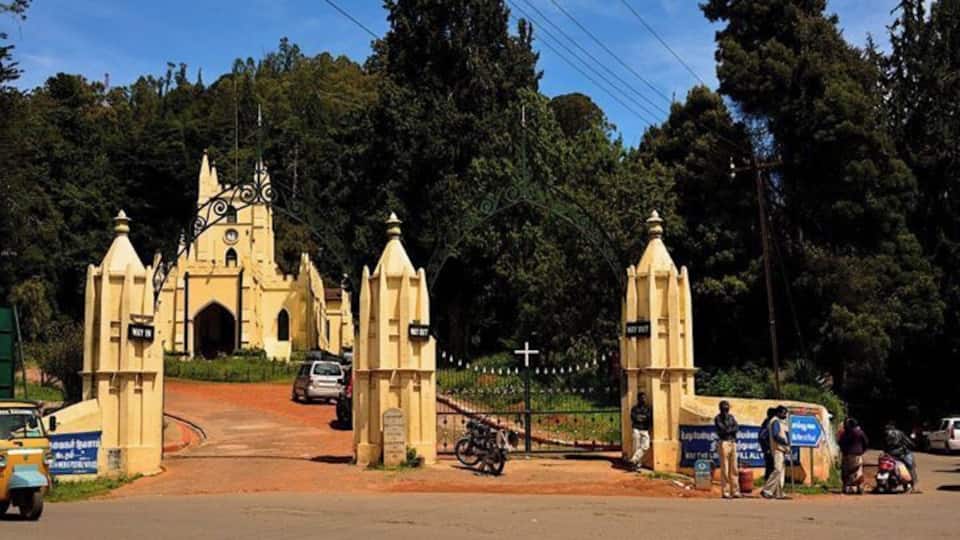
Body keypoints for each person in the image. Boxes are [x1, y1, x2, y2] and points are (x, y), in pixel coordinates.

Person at [714, 400, 741, 498]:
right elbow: (722, 430)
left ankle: (735, 491)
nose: (726, 409)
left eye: (727, 407)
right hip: (724, 442)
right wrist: (730, 430)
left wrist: (730, 430)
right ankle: (725, 492)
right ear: (720, 408)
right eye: (724, 407)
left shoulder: (731, 417)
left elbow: (736, 428)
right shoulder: (718, 418)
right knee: (725, 468)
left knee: (734, 468)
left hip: (733, 442)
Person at [762, 406, 790, 500]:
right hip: (778, 449)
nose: (785, 415)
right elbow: (775, 435)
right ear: (778, 413)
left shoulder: (777, 422)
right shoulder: (775, 421)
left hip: (781, 449)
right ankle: (767, 490)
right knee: (777, 470)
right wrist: (785, 442)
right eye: (783, 413)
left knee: (781, 472)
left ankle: (779, 492)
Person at [885, 420, 920, 493]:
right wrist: (913, 445)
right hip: (902, 453)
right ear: (894, 427)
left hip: (891, 454)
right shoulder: (900, 433)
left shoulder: (885, 434)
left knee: (890, 468)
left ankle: (893, 485)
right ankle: (915, 486)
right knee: (911, 467)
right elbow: (908, 441)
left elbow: (884, 445)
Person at [837, 417, 869, 493]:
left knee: (846, 471)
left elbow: (840, 443)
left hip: (846, 455)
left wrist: (843, 450)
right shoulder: (860, 433)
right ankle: (859, 487)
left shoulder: (844, 434)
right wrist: (862, 450)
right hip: (857, 455)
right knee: (858, 471)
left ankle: (845, 487)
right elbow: (866, 442)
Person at [629, 392, 652, 471]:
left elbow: (648, 418)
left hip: (645, 430)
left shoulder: (648, 408)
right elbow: (634, 418)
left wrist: (640, 418)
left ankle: (634, 459)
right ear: (638, 399)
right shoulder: (634, 408)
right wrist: (642, 418)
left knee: (646, 446)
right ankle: (637, 465)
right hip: (636, 429)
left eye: (645, 398)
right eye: (642, 398)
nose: (644, 399)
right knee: (636, 447)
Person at [758, 408, 776, 481]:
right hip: (769, 449)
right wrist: (767, 449)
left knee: (770, 469)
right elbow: (762, 436)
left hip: (769, 449)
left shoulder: (768, 422)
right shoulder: (768, 423)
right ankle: (768, 488)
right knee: (770, 469)